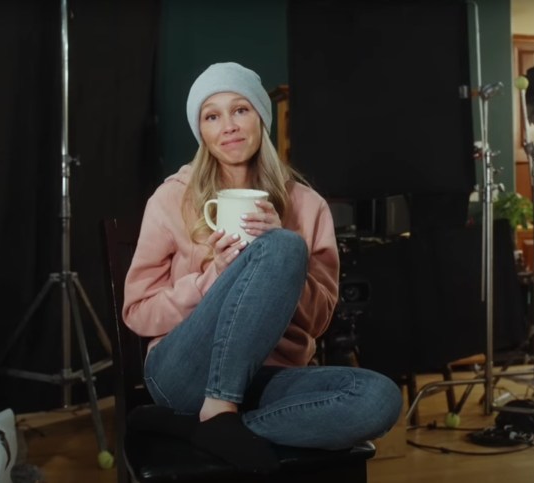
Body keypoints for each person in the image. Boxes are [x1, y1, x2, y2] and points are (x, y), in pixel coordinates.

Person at [122, 62, 403, 473]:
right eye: (212, 116)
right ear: (201, 131)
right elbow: (137, 312)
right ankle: (216, 408)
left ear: (260, 118)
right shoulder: (171, 199)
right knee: (284, 246)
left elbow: (319, 320)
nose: (229, 126)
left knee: (380, 399)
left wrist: (287, 254)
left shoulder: (307, 205)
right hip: (184, 374)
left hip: (268, 377)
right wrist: (211, 279)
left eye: (241, 110)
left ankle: (206, 427)